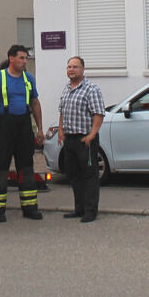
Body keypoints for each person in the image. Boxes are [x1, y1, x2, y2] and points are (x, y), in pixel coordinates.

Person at [0, 45, 44, 222]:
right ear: (11, 58)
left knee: (26, 168)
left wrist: (40, 129)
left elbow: (35, 103)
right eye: (21, 58)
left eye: (26, 58)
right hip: (4, 127)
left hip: (24, 126)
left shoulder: (28, 78)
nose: (25, 61)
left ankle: (30, 208)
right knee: (1, 170)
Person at [57, 56, 105, 223]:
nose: (71, 69)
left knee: (90, 176)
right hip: (69, 140)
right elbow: (62, 111)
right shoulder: (66, 89)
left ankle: (91, 211)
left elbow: (98, 113)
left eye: (75, 67)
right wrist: (61, 131)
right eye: (69, 67)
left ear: (83, 69)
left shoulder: (91, 89)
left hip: (85, 139)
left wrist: (92, 134)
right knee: (73, 175)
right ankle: (79, 209)